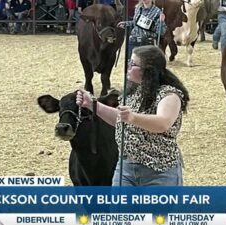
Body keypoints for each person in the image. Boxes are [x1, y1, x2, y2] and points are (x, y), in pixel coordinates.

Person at [76, 45, 190, 186]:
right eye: (129, 62)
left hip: (160, 171)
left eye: (133, 64)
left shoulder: (169, 94)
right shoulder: (132, 92)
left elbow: (163, 123)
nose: (128, 66)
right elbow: (120, 119)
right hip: (125, 168)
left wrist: (133, 118)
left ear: (148, 71)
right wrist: (93, 105)